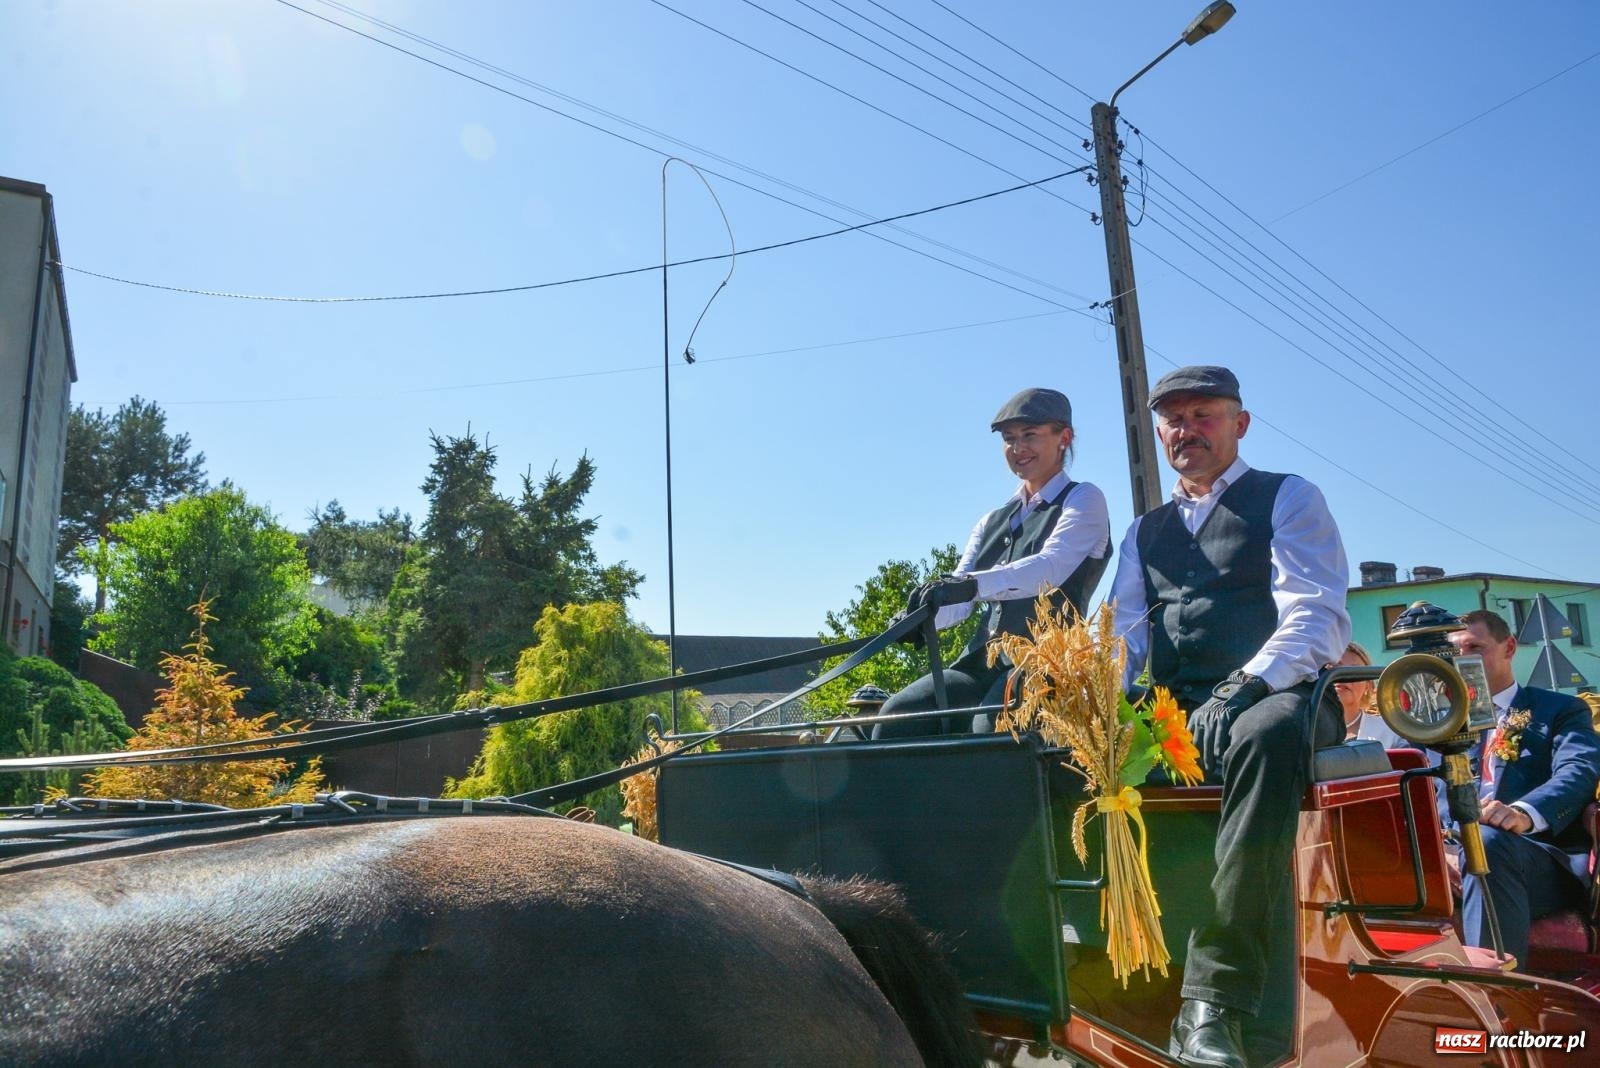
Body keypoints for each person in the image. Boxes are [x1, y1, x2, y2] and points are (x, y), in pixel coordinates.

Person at [1109, 365, 1350, 1068]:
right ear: (1160, 435)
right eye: (1175, 421)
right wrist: (1091, 713)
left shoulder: (1287, 497)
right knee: (1057, 755)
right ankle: (1094, 964)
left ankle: (1216, 1002)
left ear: (1239, 424)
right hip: (1177, 707)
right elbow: (1127, 640)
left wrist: (1249, 681)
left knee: (1263, 736)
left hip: (1281, 694)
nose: (1188, 430)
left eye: (1204, 415)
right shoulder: (1143, 531)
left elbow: (1315, 611)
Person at [874, 387, 1111, 739]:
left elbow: (1048, 569)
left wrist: (972, 584)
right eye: (1009, 439)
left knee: (990, 728)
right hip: (981, 664)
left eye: (1030, 435)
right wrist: (920, 619)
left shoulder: (1083, 499)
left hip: (1046, 666)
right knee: (898, 718)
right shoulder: (992, 520)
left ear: (1064, 437)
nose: (1018, 449)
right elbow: (959, 599)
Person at [1447, 609, 1600, 965]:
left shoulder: (1559, 709)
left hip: (1534, 857)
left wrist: (1522, 814)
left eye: (1475, 647)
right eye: (1455, 651)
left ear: (1509, 647)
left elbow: (1577, 772)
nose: (1463, 659)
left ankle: (1497, 996)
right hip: (1449, 854)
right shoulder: (1437, 722)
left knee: (1485, 843)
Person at [1335, 641, 1377, 740]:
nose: (1343, 677)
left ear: (1368, 685)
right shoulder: (1305, 729)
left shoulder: (1390, 734)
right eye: (1336, 669)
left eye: (1353, 671)